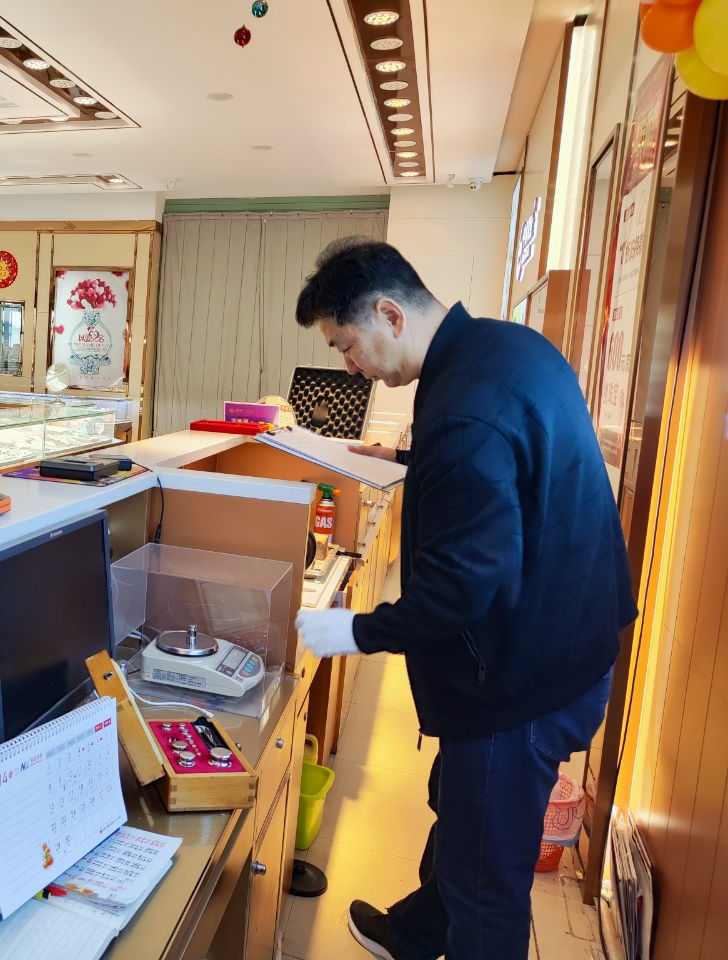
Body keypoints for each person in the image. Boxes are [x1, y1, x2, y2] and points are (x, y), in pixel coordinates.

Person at [292, 238, 636, 960]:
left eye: (347, 345)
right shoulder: (502, 349)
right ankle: (416, 936)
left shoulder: (460, 409)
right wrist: (410, 460)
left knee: (487, 884)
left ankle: (442, 935)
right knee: (464, 816)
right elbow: (512, 463)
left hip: (518, 679)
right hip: (570, 640)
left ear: (390, 314)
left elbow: (463, 584)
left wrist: (353, 630)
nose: (349, 366)